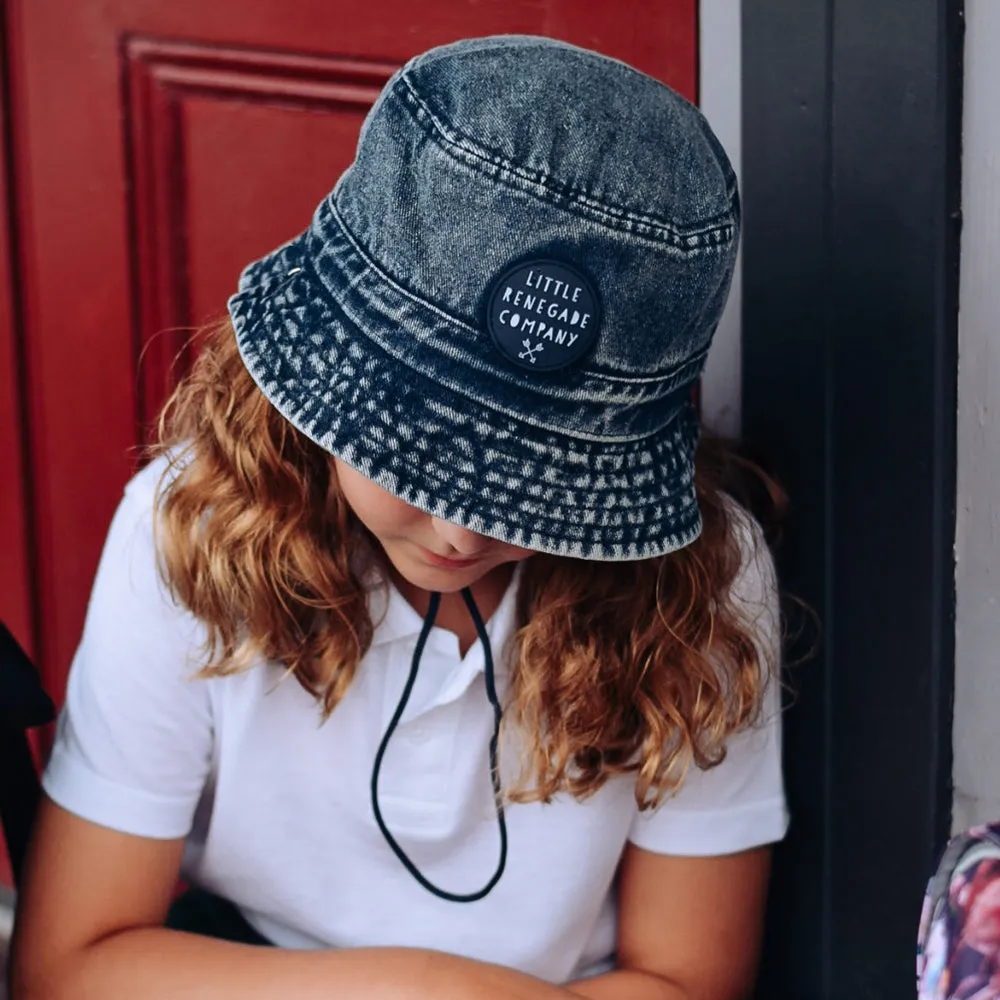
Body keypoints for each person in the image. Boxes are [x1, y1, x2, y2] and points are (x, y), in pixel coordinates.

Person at [10, 35, 788, 1000]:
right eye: (418, 457)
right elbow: (69, 964)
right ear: (321, 382)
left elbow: (686, 975)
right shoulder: (193, 526)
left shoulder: (701, 576)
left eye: (535, 486)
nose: (461, 534)